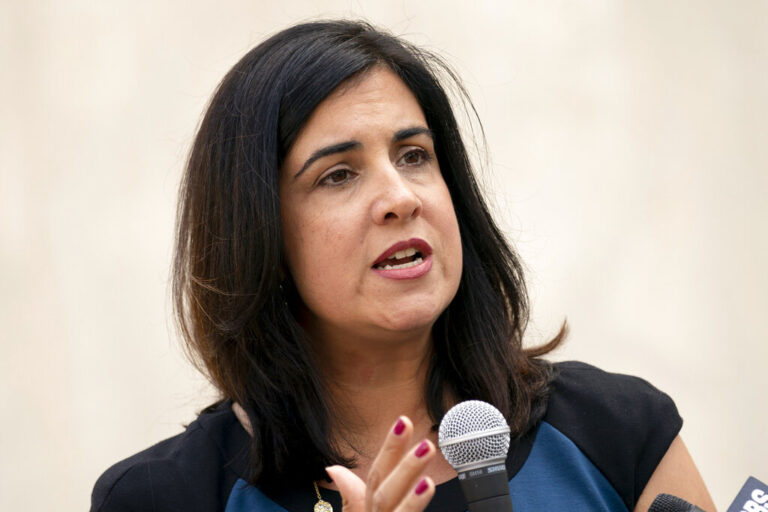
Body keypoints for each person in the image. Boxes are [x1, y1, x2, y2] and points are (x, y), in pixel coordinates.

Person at [91, 20, 715, 512]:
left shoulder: (618, 432)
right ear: (260, 239)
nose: (400, 197)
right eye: (338, 175)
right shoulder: (165, 496)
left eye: (414, 155)